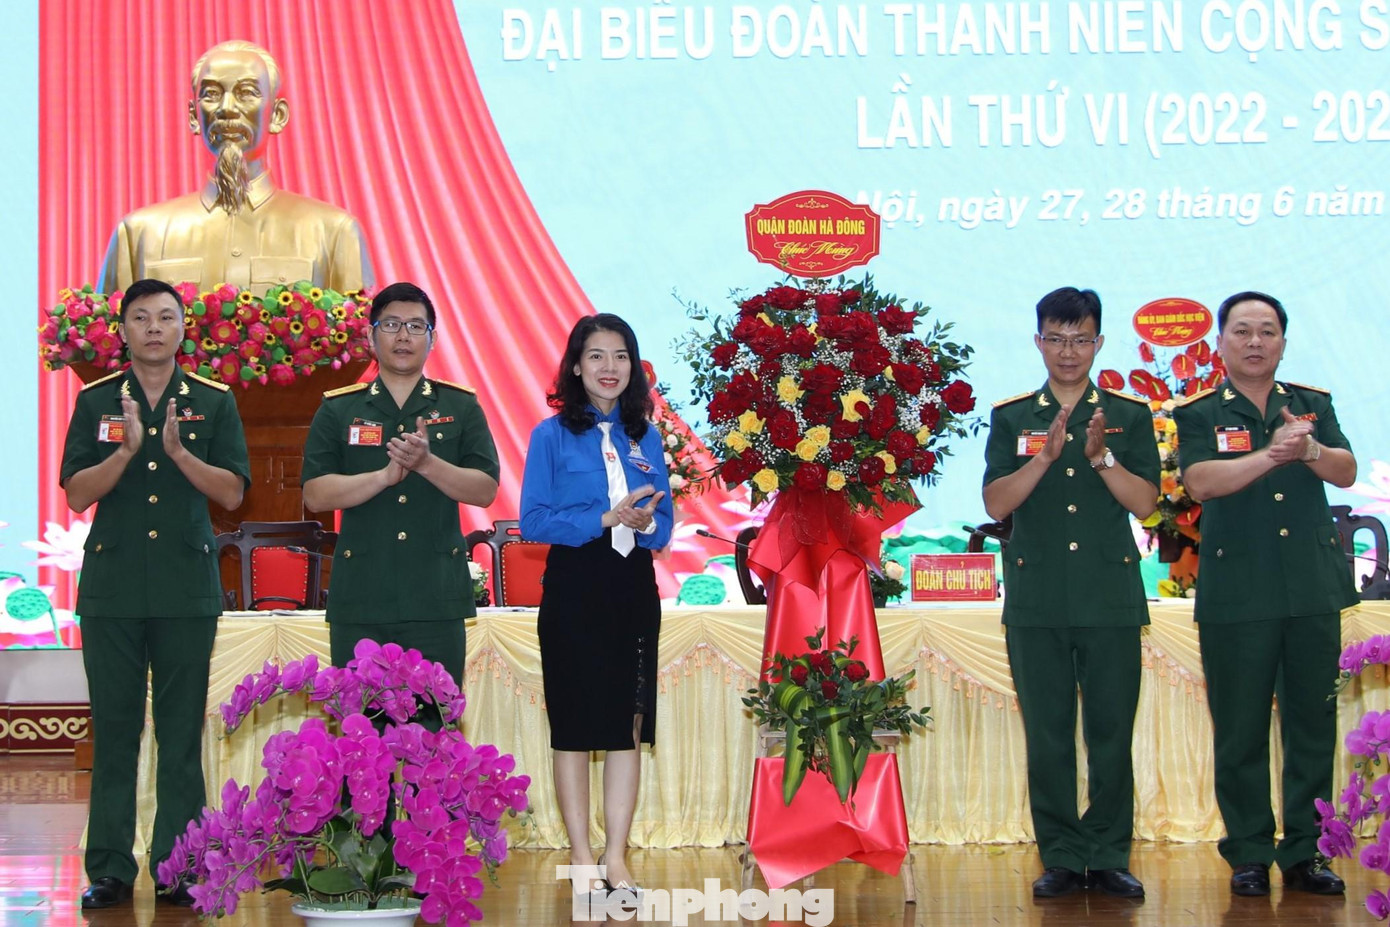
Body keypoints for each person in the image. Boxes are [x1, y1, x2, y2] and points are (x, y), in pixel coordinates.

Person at [59, 278, 250, 909]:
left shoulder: (214, 403)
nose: (153, 328)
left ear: (182, 328)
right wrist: (126, 453)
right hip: (112, 589)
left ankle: (179, 865)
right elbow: (79, 493)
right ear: (122, 331)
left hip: (183, 588)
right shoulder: (94, 403)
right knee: (114, 731)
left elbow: (231, 493)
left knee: (178, 731)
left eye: (166, 317)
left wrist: (175, 453)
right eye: (140, 318)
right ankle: (110, 868)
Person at [1174, 291, 1358, 897]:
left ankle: (1308, 852)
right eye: (1243, 331)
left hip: (1310, 588)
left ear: (1283, 341)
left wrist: (1307, 448)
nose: (1256, 341)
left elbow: (1345, 470)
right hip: (1237, 594)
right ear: (1221, 342)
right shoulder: (1201, 412)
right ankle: (1249, 851)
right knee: (1240, 727)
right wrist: (1270, 456)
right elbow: (1200, 481)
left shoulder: (1311, 405)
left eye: (1268, 331)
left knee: (1312, 724)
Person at [982, 287, 1160, 899]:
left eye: (1080, 339)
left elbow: (1146, 504)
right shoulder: (1012, 418)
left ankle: (1109, 853)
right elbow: (995, 502)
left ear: (1099, 343)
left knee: (1111, 732)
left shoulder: (1128, 415)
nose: (1068, 351)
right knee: (1050, 733)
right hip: (1038, 598)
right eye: (1056, 338)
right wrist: (1045, 458)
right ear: (1038, 342)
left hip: (1109, 596)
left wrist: (1101, 455)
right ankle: (1060, 853)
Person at [519, 314, 673, 898]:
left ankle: (617, 857)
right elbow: (532, 520)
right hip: (575, 585)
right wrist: (605, 518)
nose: (610, 368)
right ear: (576, 366)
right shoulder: (550, 435)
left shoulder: (646, 435)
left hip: (632, 586)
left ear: (632, 368)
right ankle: (582, 857)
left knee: (626, 727)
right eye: (597, 357)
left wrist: (644, 520)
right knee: (576, 727)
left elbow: (665, 530)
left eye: (621, 357)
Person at [301, 282, 499, 683]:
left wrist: (428, 464)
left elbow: (485, 489)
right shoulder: (340, 408)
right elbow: (315, 493)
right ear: (371, 335)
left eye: (415, 326)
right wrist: (382, 478)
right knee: (360, 734)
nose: (404, 336)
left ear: (433, 339)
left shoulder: (460, 406)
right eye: (391, 324)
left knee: (435, 733)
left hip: (436, 599)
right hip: (361, 598)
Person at [98, 40, 373, 296]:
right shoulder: (139, 235)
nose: (227, 108)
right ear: (194, 117)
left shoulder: (333, 232)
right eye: (212, 94)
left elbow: (361, 342)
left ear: (277, 115)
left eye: (246, 93)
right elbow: (108, 340)